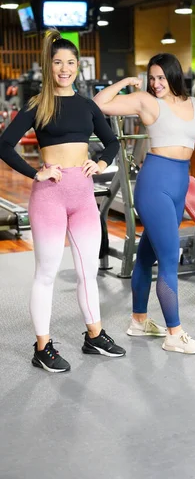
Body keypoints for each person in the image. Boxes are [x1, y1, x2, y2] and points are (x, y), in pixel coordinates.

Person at [0, 29, 126, 372]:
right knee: (46, 274)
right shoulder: (37, 105)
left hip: (83, 195)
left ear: (77, 67)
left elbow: (111, 142)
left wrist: (100, 162)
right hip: (50, 197)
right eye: (58, 63)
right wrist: (34, 173)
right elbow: (3, 144)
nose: (65, 68)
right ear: (48, 66)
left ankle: (94, 335)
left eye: (70, 62)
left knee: (88, 272)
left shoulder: (87, 105)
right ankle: (42, 347)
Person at [93, 53, 195, 355]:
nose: (156, 83)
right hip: (154, 184)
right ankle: (175, 333)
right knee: (169, 258)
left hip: (180, 185)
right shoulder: (147, 101)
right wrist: (126, 82)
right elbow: (98, 103)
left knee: (146, 256)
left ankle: (139, 321)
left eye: (161, 77)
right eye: (152, 77)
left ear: (174, 75)